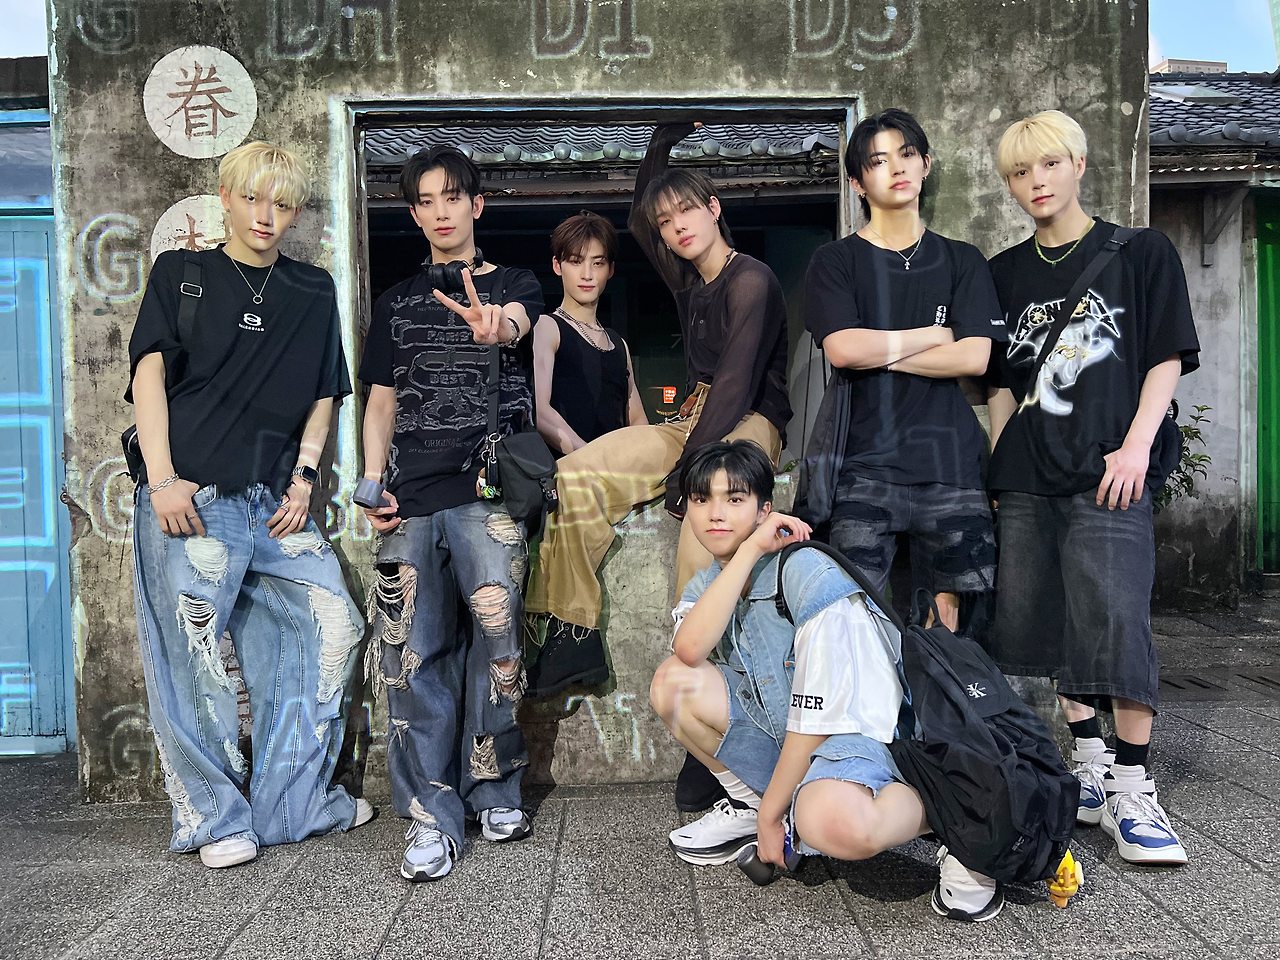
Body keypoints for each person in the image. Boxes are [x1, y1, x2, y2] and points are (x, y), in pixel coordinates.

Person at [126, 141, 370, 869]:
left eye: (283, 203)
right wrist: (162, 479)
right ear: (227, 198)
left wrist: (304, 479)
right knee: (193, 655)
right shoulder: (182, 274)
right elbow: (147, 376)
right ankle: (213, 819)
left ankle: (291, 805)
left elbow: (325, 391)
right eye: (253, 198)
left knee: (331, 626)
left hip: (273, 502)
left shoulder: (312, 288)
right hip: (192, 495)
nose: (267, 215)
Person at [648, 441, 1005, 922]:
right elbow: (689, 650)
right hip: (788, 731)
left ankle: (960, 821)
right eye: (701, 499)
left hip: (862, 739)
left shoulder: (807, 571)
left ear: (764, 509)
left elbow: (819, 715)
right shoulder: (715, 579)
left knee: (830, 822)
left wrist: (777, 815)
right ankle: (757, 807)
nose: (715, 513)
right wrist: (750, 550)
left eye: (734, 499)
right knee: (673, 684)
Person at [985, 110, 1200, 865]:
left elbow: (1165, 355)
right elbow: (1001, 383)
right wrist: (998, 462)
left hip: (1110, 468)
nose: (1035, 182)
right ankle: (1090, 765)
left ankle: (1135, 788)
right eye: (1020, 172)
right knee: (1052, 624)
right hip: (1027, 477)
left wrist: (1137, 446)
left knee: (1116, 619)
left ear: (1078, 164)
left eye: (1049, 164)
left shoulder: (1139, 251)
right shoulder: (1004, 272)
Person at [523, 120, 792, 711]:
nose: (676, 226)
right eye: (667, 222)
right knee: (573, 475)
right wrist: (660, 144)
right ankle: (573, 634)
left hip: (748, 419)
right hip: (691, 421)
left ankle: (701, 673)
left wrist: (688, 469)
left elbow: (736, 383)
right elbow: (640, 218)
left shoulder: (752, 279)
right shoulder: (690, 283)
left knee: (709, 501)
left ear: (714, 209)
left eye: (687, 211)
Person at [359, 145, 544, 882]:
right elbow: (380, 399)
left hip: (487, 493)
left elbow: (518, 323)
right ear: (414, 214)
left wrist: (496, 327)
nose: (441, 212)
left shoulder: (514, 284)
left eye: (452, 197)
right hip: (409, 498)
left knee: (499, 647)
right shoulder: (396, 302)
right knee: (412, 657)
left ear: (477, 204)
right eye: (426, 201)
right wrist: (370, 482)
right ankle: (430, 815)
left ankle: (494, 788)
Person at [803, 108, 1004, 632]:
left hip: (951, 466)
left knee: (950, 630)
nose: (896, 168)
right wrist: (932, 335)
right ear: (856, 182)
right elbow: (843, 350)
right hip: (864, 468)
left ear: (925, 165)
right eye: (878, 161)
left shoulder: (962, 259)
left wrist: (879, 347)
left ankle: (940, 692)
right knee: (854, 621)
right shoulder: (836, 261)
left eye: (907, 154)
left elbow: (974, 357)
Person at [533, 210, 648, 457]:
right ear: (557, 265)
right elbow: (540, 411)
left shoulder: (618, 344)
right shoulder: (547, 327)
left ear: (611, 269)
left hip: (615, 474)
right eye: (576, 261)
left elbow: (638, 421)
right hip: (567, 472)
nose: (587, 274)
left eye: (598, 263)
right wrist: (592, 460)